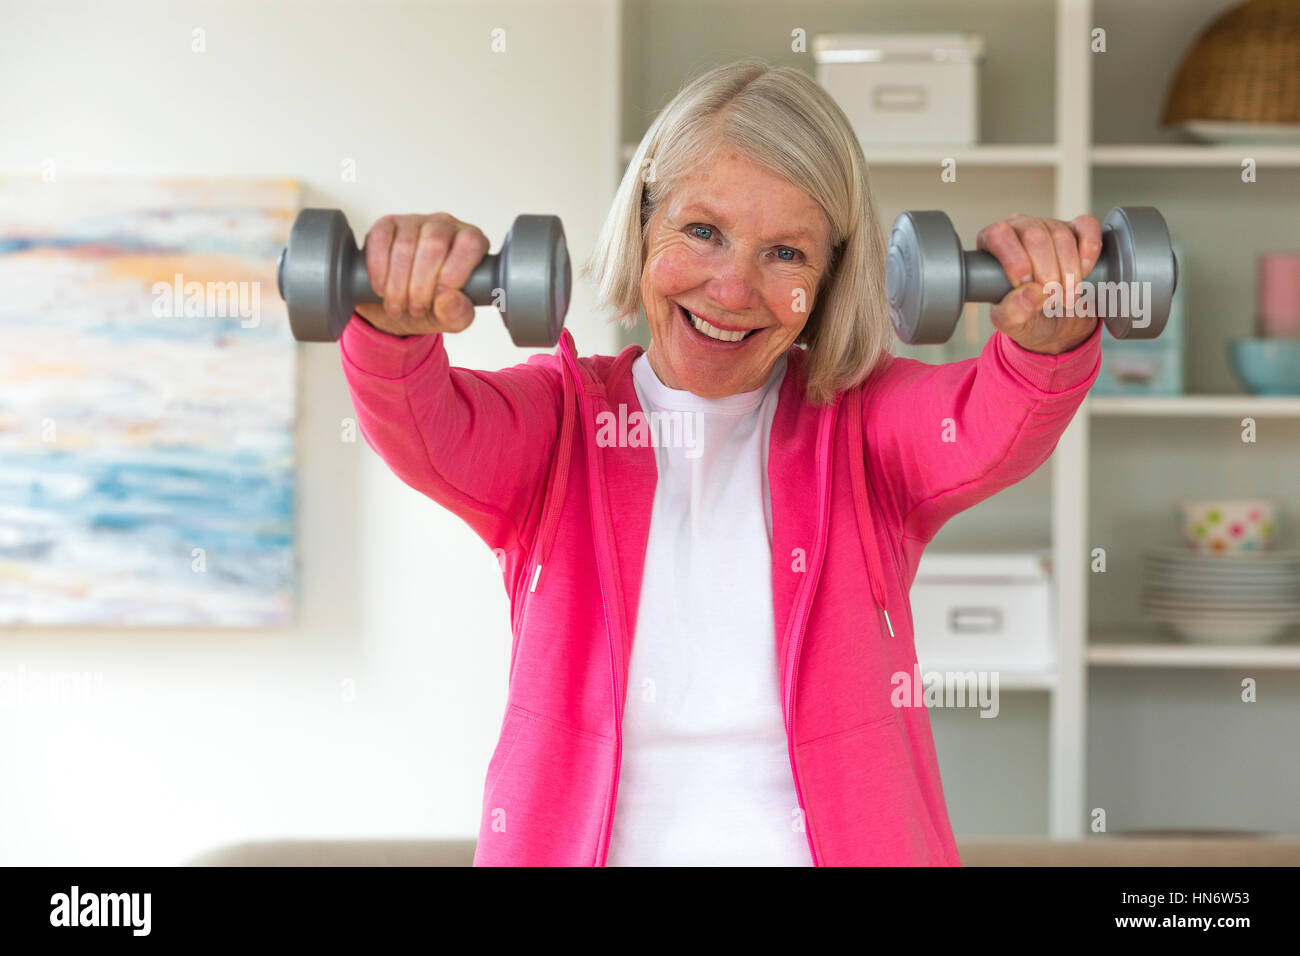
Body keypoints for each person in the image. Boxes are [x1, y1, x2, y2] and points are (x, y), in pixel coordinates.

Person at [339, 59, 1103, 866]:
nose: (733, 288)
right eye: (702, 232)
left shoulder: (863, 427)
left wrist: (1044, 339)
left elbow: (989, 425)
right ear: (642, 224)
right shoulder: (558, 427)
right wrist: (395, 323)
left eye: (785, 254)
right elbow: (425, 428)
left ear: (832, 277)